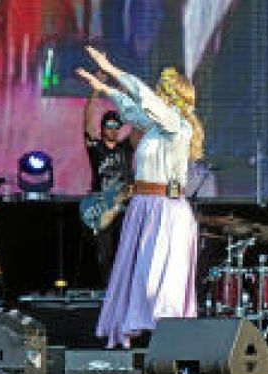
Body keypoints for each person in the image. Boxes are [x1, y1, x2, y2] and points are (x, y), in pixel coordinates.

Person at [77, 46, 205, 349]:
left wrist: (112, 67)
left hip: (166, 209)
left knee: (157, 283)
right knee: (134, 278)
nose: (156, 95)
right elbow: (132, 108)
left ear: (172, 97)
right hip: (143, 206)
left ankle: (171, 341)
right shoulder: (154, 127)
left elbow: (144, 99)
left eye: (162, 90)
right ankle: (139, 337)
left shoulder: (177, 125)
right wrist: (104, 88)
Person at [83, 88, 136, 283]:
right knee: (103, 251)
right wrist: (95, 91)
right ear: (103, 128)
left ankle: (123, 286)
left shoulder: (126, 147)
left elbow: (138, 127)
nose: (113, 129)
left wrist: (126, 98)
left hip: (124, 205)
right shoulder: (96, 147)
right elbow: (87, 120)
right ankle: (108, 287)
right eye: (109, 126)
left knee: (125, 248)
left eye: (116, 126)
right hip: (103, 205)